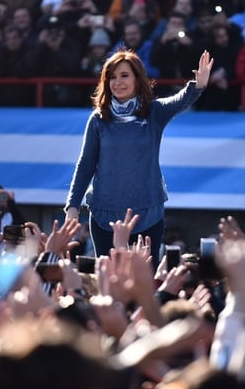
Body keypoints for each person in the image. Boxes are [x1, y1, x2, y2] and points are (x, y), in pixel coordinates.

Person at [64, 49, 212, 263]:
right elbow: (86, 164)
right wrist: (73, 206)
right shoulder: (98, 119)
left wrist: (198, 84)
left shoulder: (154, 112)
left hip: (148, 216)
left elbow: (180, 100)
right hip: (104, 218)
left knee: (143, 287)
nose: (118, 82)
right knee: (110, 284)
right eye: (112, 77)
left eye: (124, 75)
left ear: (137, 78)